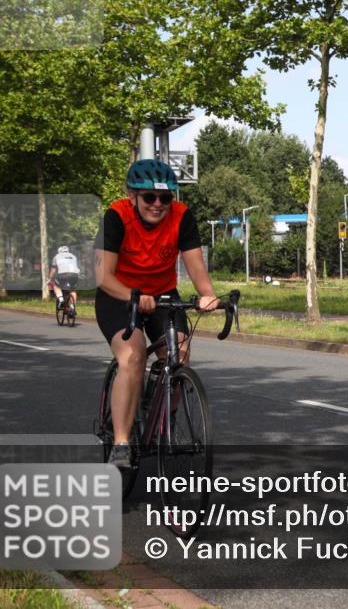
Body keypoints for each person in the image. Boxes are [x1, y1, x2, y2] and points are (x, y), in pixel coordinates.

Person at [95, 159, 218, 468]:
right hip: (119, 295)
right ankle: (121, 443)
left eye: (166, 197)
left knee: (180, 349)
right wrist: (136, 296)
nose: (158, 204)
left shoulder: (181, 217)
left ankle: (164, 411)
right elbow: (103, 277)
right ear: (132, 196)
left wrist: (207, 294)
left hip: (163, 295)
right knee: (133, 355)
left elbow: (194, 263)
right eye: (149, 197)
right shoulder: (116, 217)